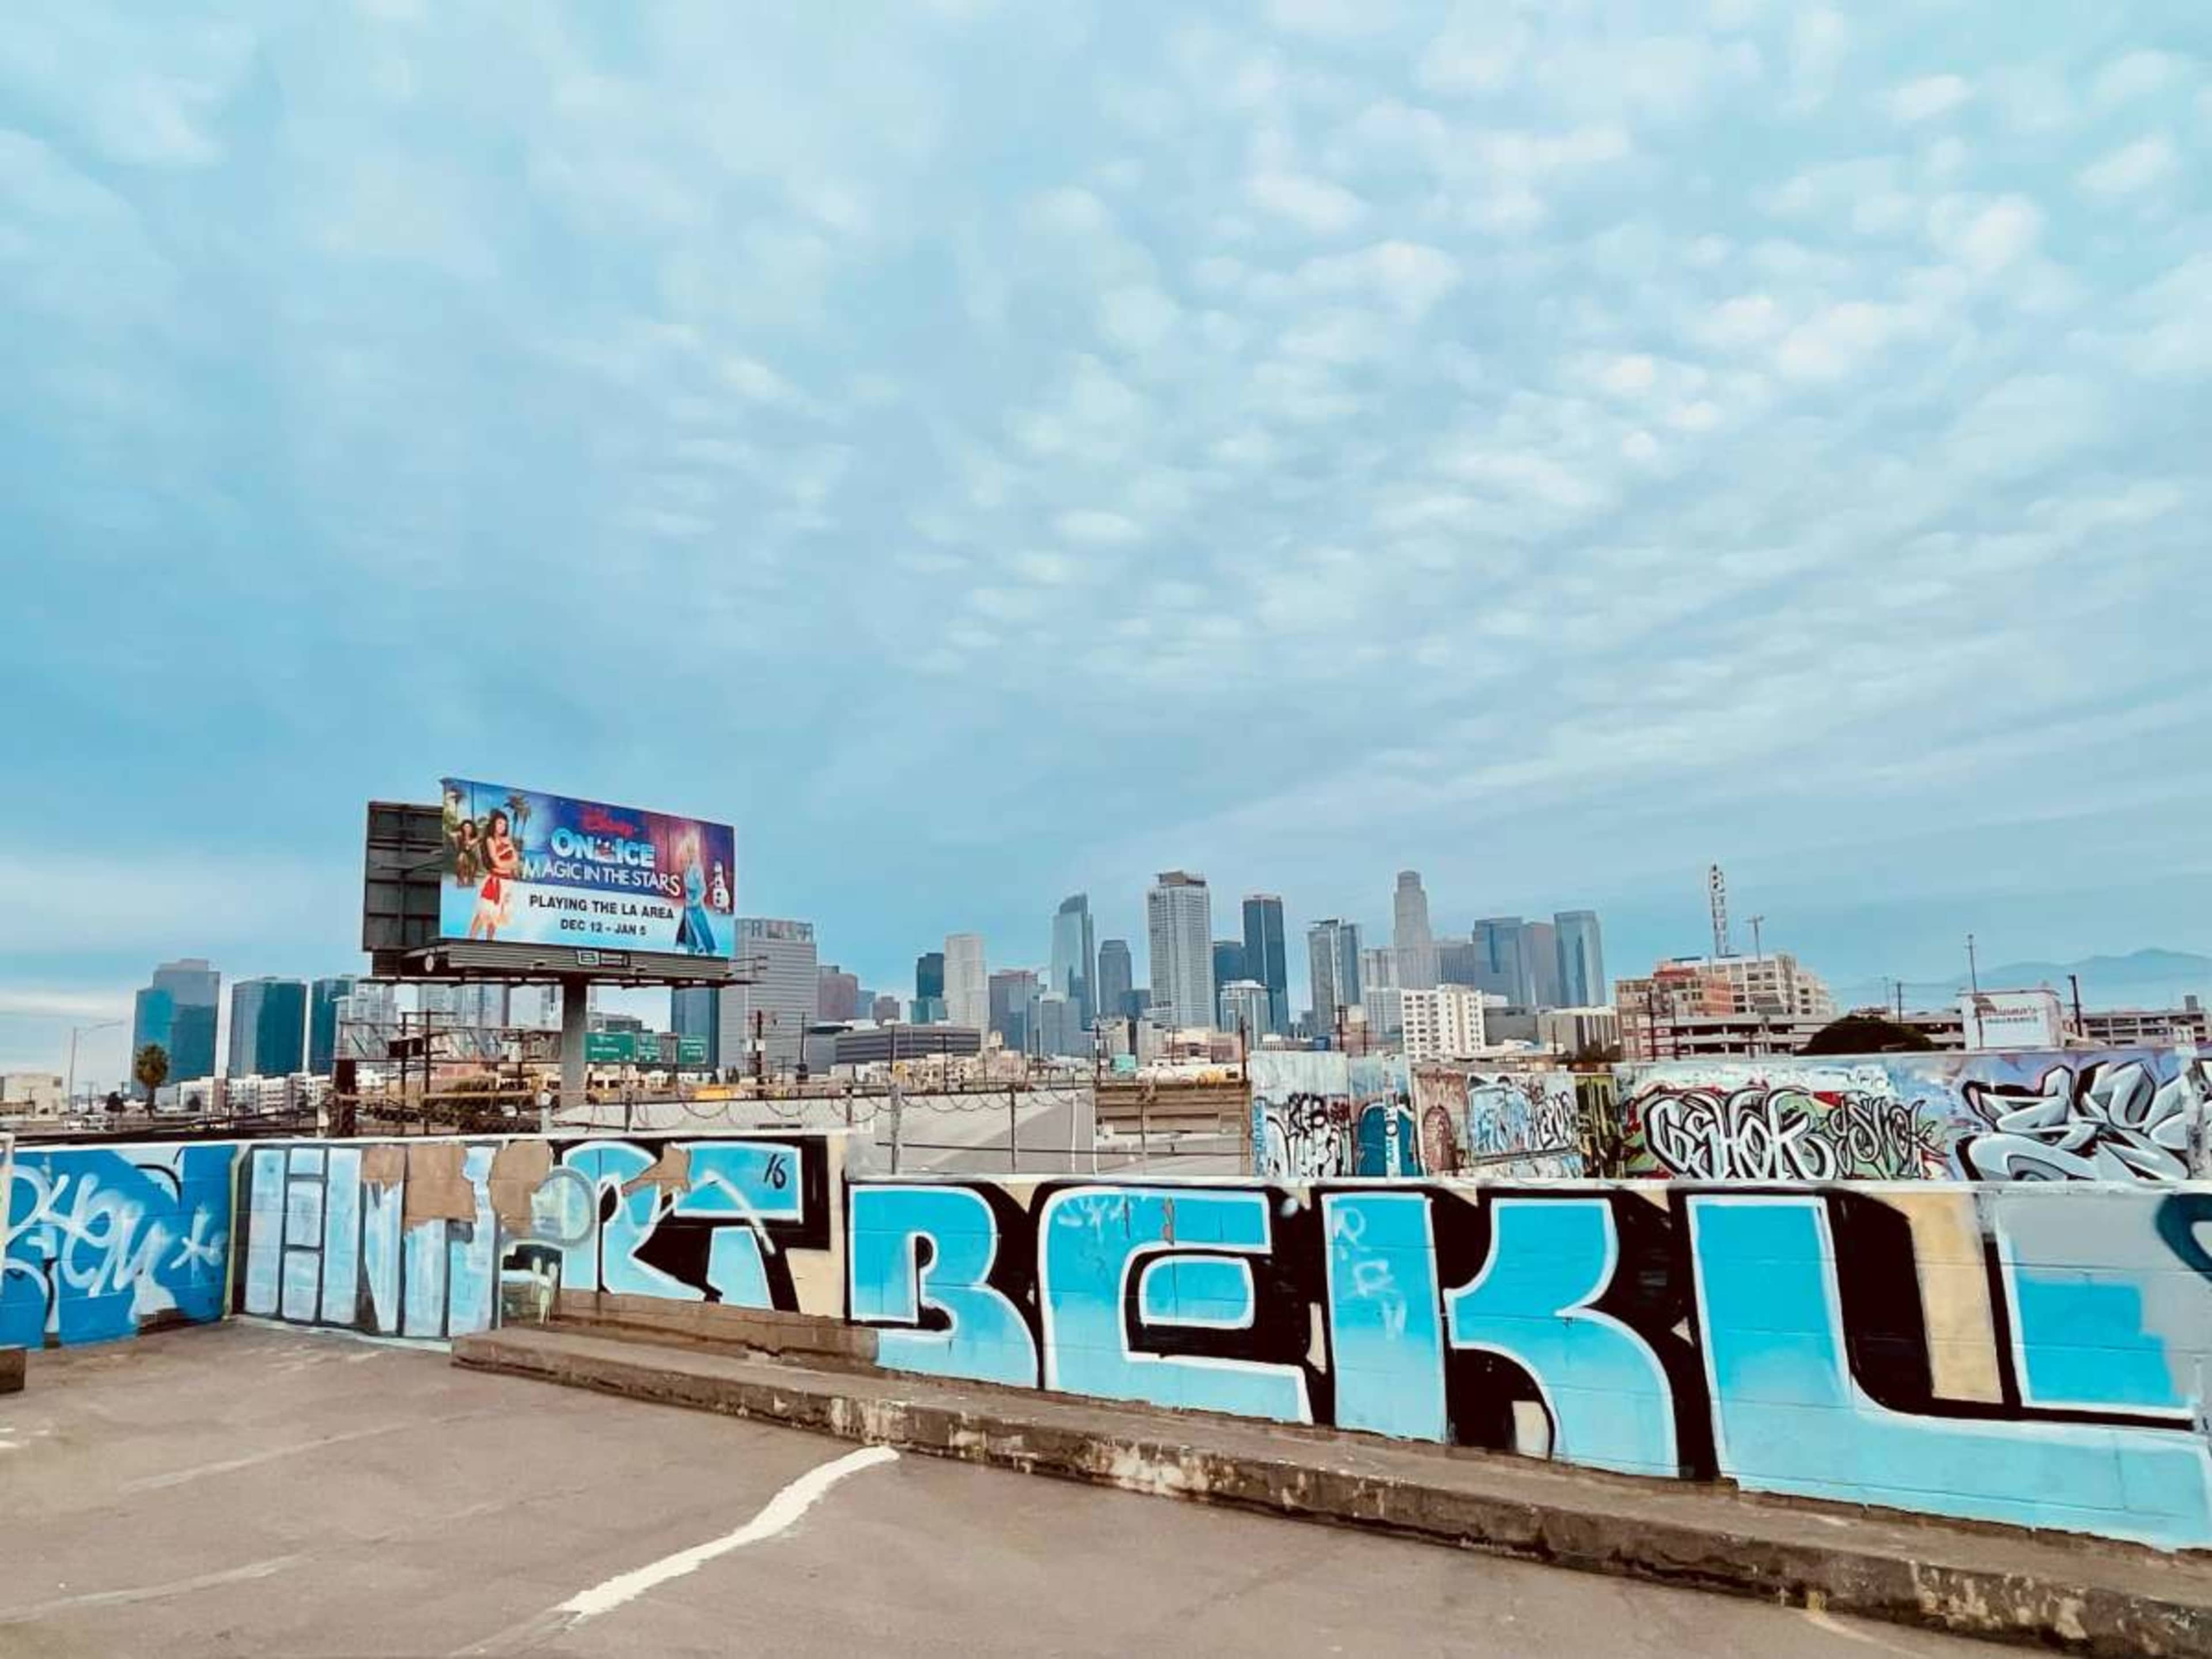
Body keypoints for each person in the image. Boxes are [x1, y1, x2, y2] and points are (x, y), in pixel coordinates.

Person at [470, 809, 521, 940]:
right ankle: (471, 939)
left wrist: (509, 863)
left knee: (496, 916)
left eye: (504, 824)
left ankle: (490, 942)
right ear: (494, 824)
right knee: (483, 913)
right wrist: (510, 864)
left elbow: (516, 860)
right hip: (494, 881)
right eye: (499, 823)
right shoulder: (490, 840)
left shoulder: (508, 840)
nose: (502, 827)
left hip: (507, 882)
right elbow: (497, 862)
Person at [674, 834, 717, 955]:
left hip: (696, 906)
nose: (683, 855)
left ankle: (709, 955)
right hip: (688, 907)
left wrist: (696, 901)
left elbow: (703, 889)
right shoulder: (686, 870)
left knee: (702, 931)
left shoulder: (696, 868)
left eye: (685, 852)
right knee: (689, 935)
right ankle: (691, 955)